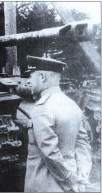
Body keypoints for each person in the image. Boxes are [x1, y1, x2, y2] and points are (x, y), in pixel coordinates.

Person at [24, 55, 92, 192]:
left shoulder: (42, 108)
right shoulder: (72, 105)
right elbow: (83, 144)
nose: (28, 81)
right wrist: (81, 177)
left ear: (42, 77)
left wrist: (70, 180)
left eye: (31, 76)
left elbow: (50, 153)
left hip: (45, 186)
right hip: (71, 184)